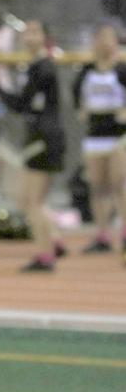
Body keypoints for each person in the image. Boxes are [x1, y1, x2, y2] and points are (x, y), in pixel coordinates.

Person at [0, 20, 67, 271]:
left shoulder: (43, 67)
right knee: (28, 198)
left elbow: (20, 104)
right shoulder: (35, 66)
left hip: (44, 139)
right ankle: (55, 240)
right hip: (42, 138)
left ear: (45, 38)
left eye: (35, 32)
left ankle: (45, 255)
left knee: (31, 201)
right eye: (26, 33)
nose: (29, 37)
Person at [72, 23, 126, 257]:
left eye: (109, 38)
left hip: (119, 134)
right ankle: (102, 234)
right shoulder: (86, 70)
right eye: (100, 37)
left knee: (120, 184)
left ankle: (124, 233)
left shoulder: (122, 70)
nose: (104, 42)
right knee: (98, 186)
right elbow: (77, 96)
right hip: (95, 134)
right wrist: (80, 110)